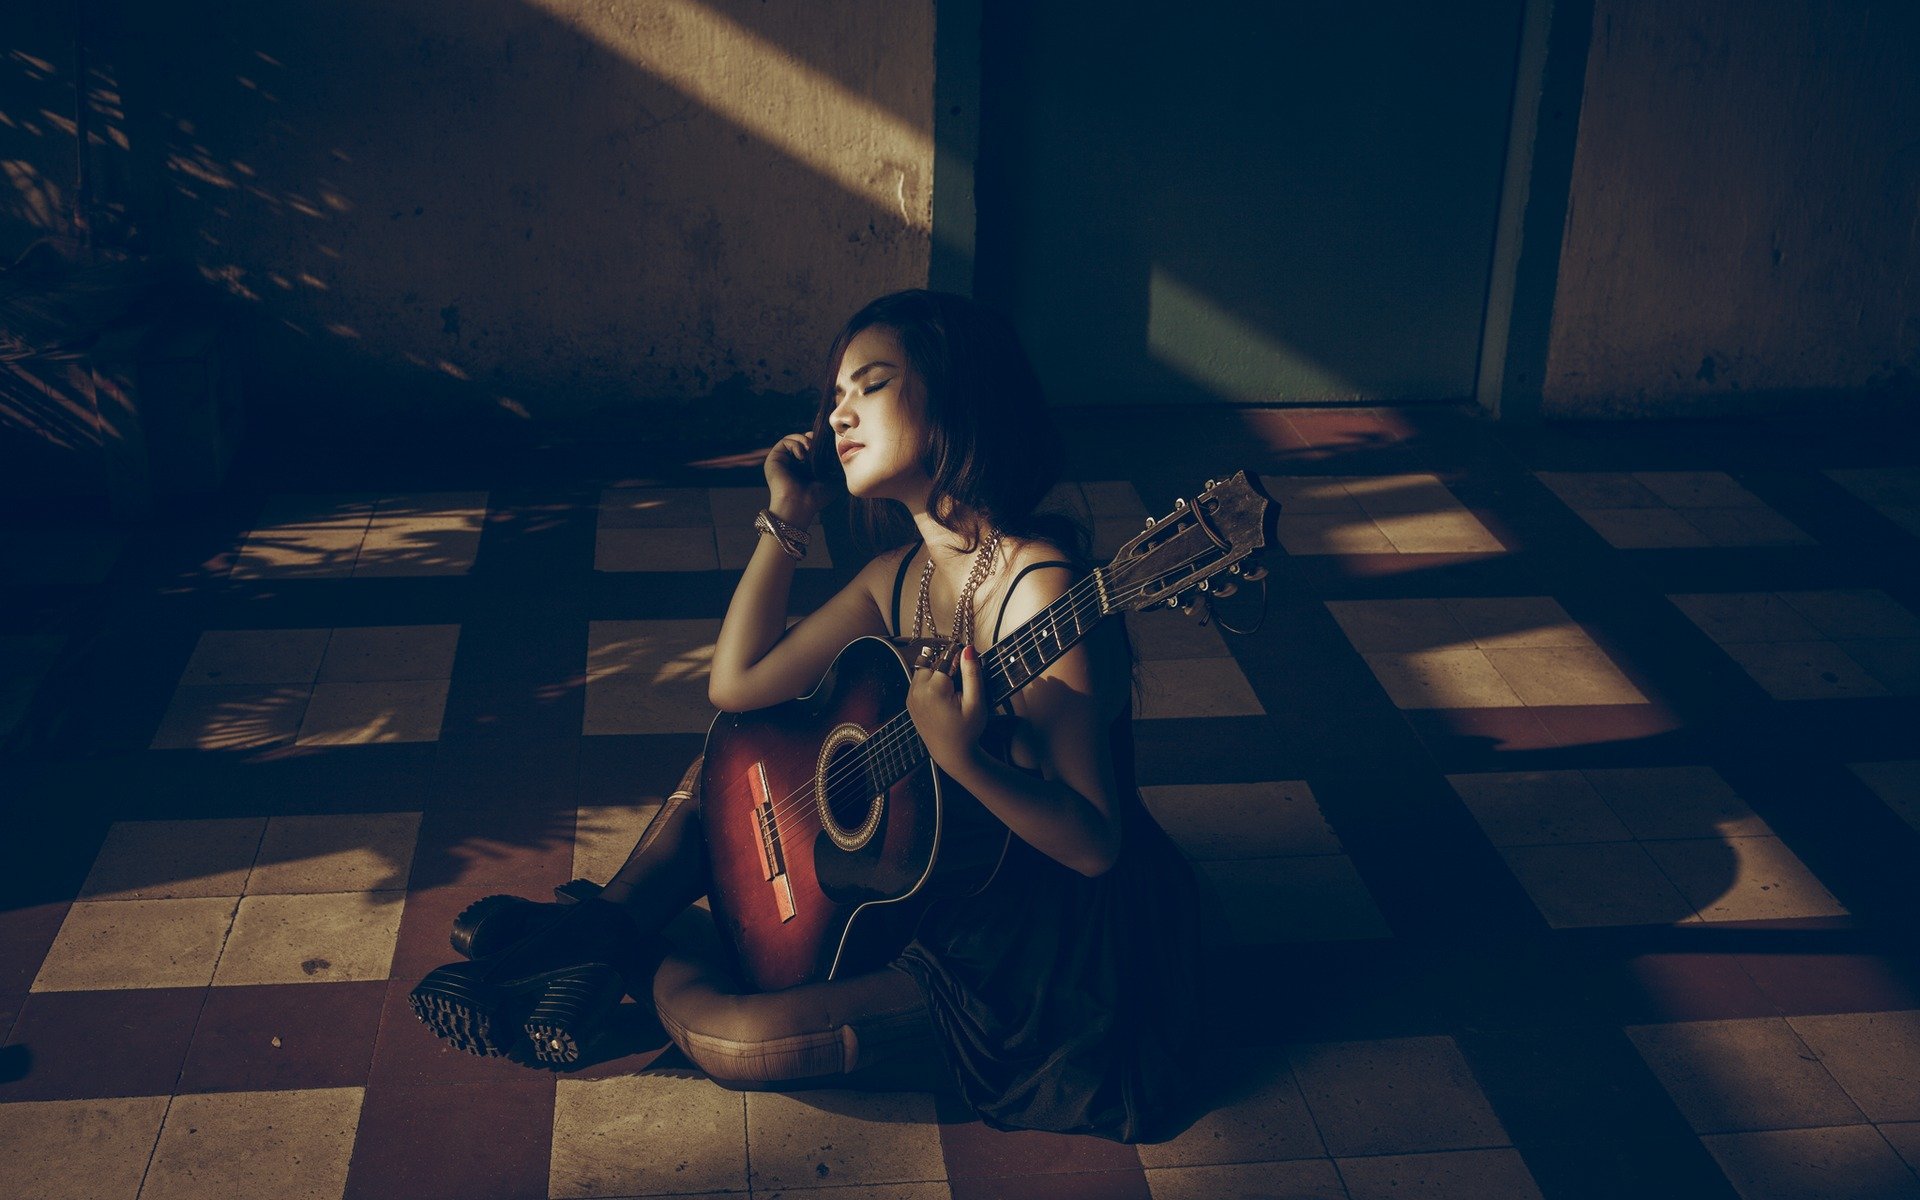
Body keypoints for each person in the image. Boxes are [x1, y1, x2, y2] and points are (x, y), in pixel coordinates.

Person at [410, 289, 1204, 1142]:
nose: (838, 414)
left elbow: (1094, 846)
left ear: (956, 398)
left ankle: (592, 943)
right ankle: (592, 940)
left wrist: (966, 758)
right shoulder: (896, 574)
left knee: (736, 1040)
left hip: (1027, 949)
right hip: (914, 876)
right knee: (729, 761)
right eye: (834, 396)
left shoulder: (1039, 589)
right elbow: (737, 687)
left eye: (870, 385)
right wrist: (787, 517)